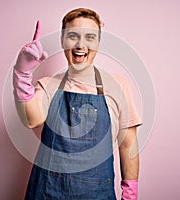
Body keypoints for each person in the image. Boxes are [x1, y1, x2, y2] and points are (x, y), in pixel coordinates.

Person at [13, 8, 142, 200]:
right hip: (46, 193)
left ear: (98, 42)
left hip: (97, 194)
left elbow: (128, 146)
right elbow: (31, 120)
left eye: (89, 37)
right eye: (72, 36)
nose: (80, 45)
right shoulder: (49, 85)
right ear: (63, 41)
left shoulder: (118, 86)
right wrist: (22, 74)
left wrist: (130, 195)